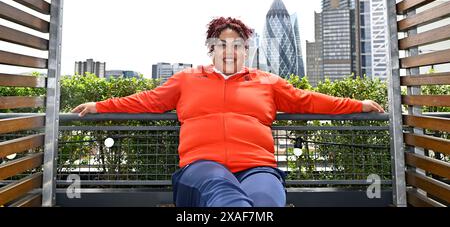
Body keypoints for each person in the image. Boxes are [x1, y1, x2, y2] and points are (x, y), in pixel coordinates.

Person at [71, 17, 385, 207]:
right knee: (221, 192)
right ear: (211, 49)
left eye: (238, 45)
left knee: (266, 200)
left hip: (257, 167)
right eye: (222, 44)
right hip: (201, 167)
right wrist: (100, 106)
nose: (230, 50)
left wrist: (358, 105)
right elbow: (146, 101)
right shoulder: (186, 79)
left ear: (247, 51)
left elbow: (308, 101)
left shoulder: (267, 82)